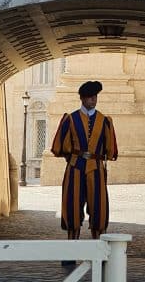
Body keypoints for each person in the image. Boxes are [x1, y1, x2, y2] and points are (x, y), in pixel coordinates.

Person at [50, 80, 118, 252]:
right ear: (82, 98)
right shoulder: (70, 119)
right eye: (89, 97)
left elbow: (110, 150)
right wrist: (71, 156)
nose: (93, 100)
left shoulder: (104, 121)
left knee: (99, 208)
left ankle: (99, 249)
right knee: (72, 206)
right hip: (75, 167)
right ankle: (71, 250)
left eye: (95, 97)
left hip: (96, 167)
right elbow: (58, 146)